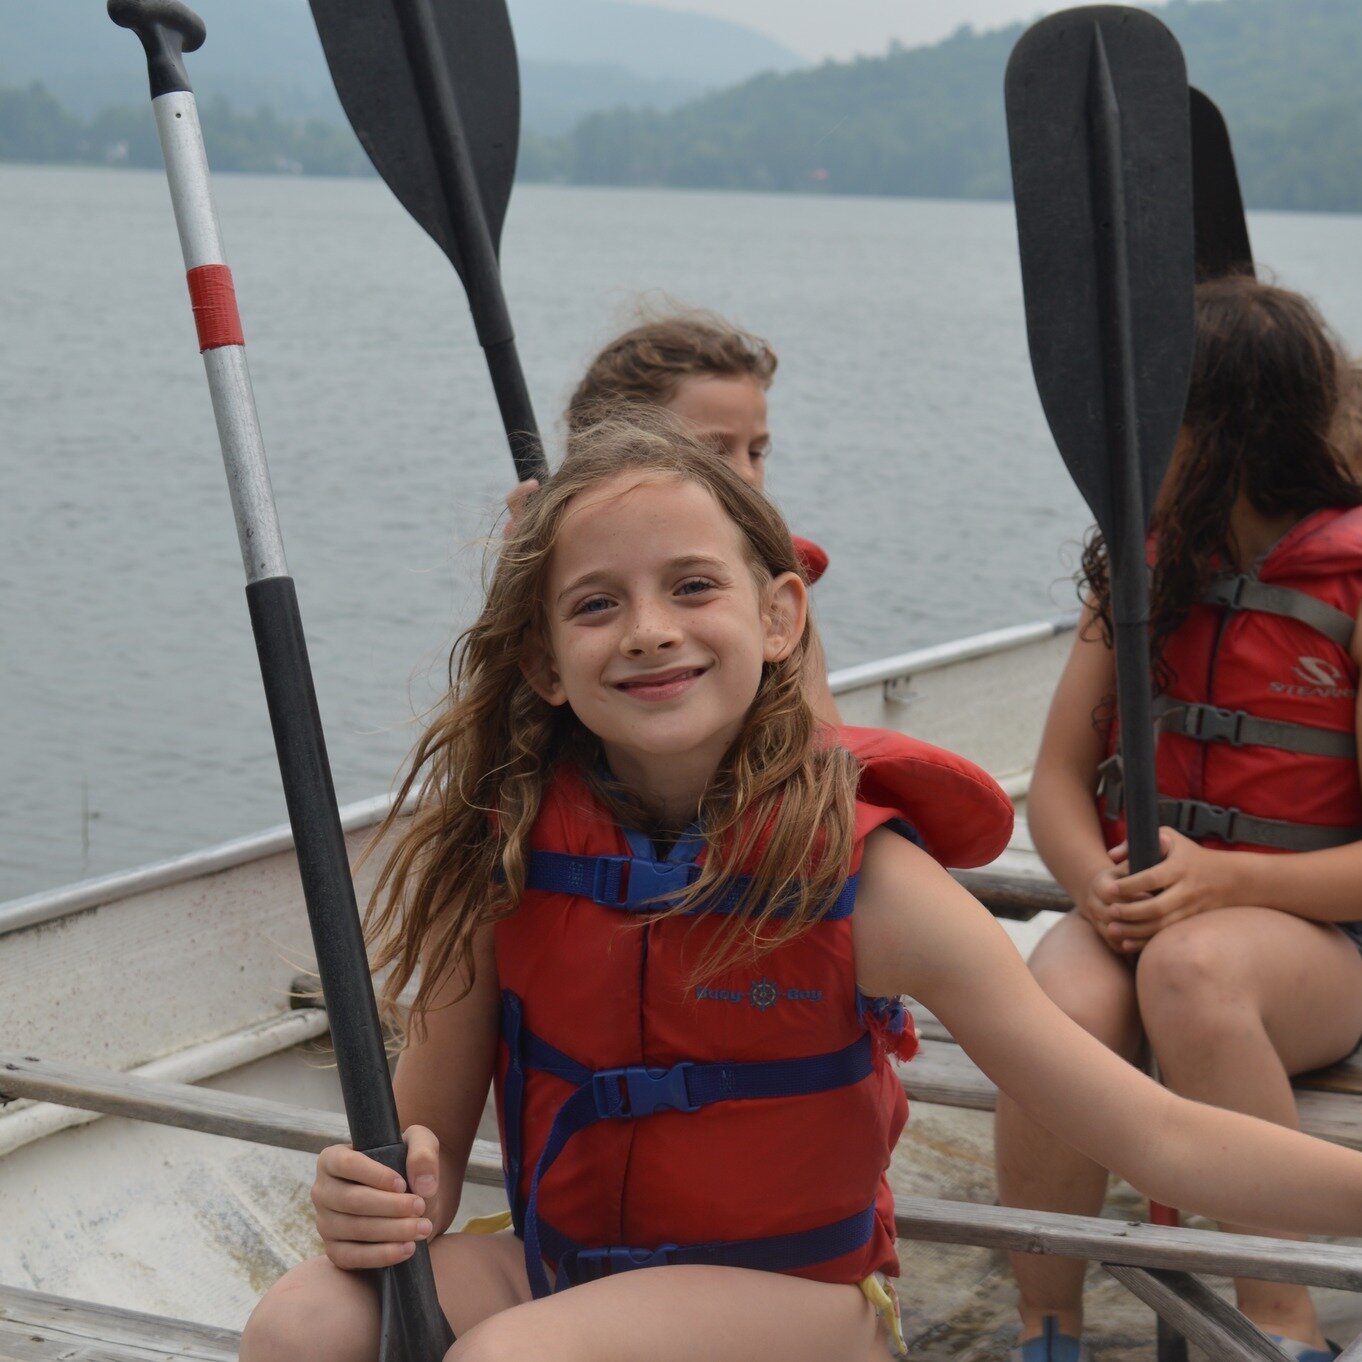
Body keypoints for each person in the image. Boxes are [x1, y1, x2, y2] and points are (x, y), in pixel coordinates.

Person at [241, 409, 1362, 1362]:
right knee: (303, 1326)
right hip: (566, 1268)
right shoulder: (506, 855)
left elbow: (1158, 1136)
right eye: (594, 605)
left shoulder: (872, 883)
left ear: (779, 617)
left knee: (512, 1359)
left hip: (804, 1311)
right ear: (541, 663)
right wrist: (381, 1191)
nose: (648, 633)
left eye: (691, 587)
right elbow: (420, 1159)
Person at [995, 276, 1362, 1362]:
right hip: (1141, 915)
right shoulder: (1145, 566)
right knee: (1052, 1004)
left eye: (1153, 414)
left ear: (1230, 431)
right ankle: (1046, 1327)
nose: (1118, 437)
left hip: (1317, 943)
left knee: (1194, 972)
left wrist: (1230, 883)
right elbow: (1060, 780)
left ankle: (1284, 1321)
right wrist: (1090, 881)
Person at [506, 307, 840, 721]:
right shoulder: (555, 568)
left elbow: (822, 733)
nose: (745, 474)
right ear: (614, 453)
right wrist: (521, 573)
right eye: (711, 452)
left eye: (755, 452)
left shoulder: (769, 591)